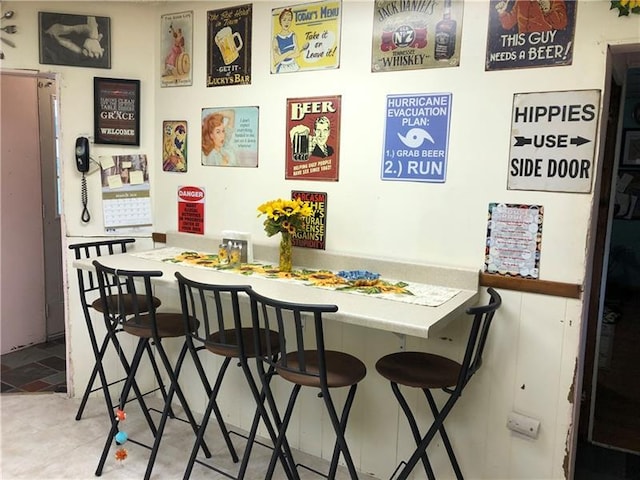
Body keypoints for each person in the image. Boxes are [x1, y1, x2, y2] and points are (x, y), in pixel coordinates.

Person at [495, 0, 568, 33]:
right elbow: (508, 24)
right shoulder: (520, 1)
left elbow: (561, 24)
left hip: (544, 44)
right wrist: (502, 12)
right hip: (523, 47)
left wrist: (548, 11)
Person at [272, 8, 305, 73]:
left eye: (289, 20)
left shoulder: (293, 35)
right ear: (280, 21)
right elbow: (276, 59)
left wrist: (282, 56)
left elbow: (297, 53)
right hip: (282, 67)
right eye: (284, 20)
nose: (287, 22)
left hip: (293, 65)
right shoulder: (276, 38)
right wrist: (290, 52)